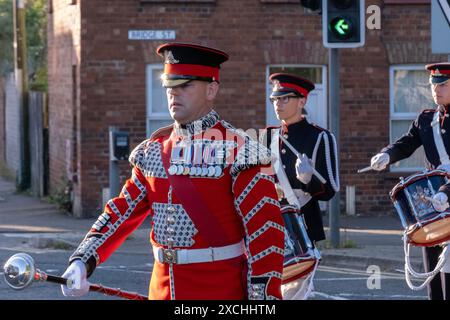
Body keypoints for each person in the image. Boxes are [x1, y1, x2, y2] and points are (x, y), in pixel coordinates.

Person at [60, 43, 285, 300]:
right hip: (161, 289)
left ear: (211, 89)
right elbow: (120, 213)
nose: (173, 94)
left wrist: (262, 300)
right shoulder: (153, 151)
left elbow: (265, 237)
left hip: (219, 291)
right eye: (169, 87)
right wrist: (82, 260)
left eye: (185, 86)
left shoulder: (242, 152)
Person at [370, 62, 450, 300]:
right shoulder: (427, 119)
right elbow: (407, 143)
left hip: (445, 196)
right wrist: (387, 155)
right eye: (433, 84)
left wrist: (447, 191)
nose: (437, 89)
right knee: (432, 271)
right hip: (434, 202)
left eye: (443, 84)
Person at [260, 73, 340, 298]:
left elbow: (330, 190)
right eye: (275, 99)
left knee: (297, 292)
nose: (278, 104)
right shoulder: (266, 137)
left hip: (302, 223)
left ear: (302, 101)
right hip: (271, 224)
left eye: (285, 99)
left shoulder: (320, 137)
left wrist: (308, 180)